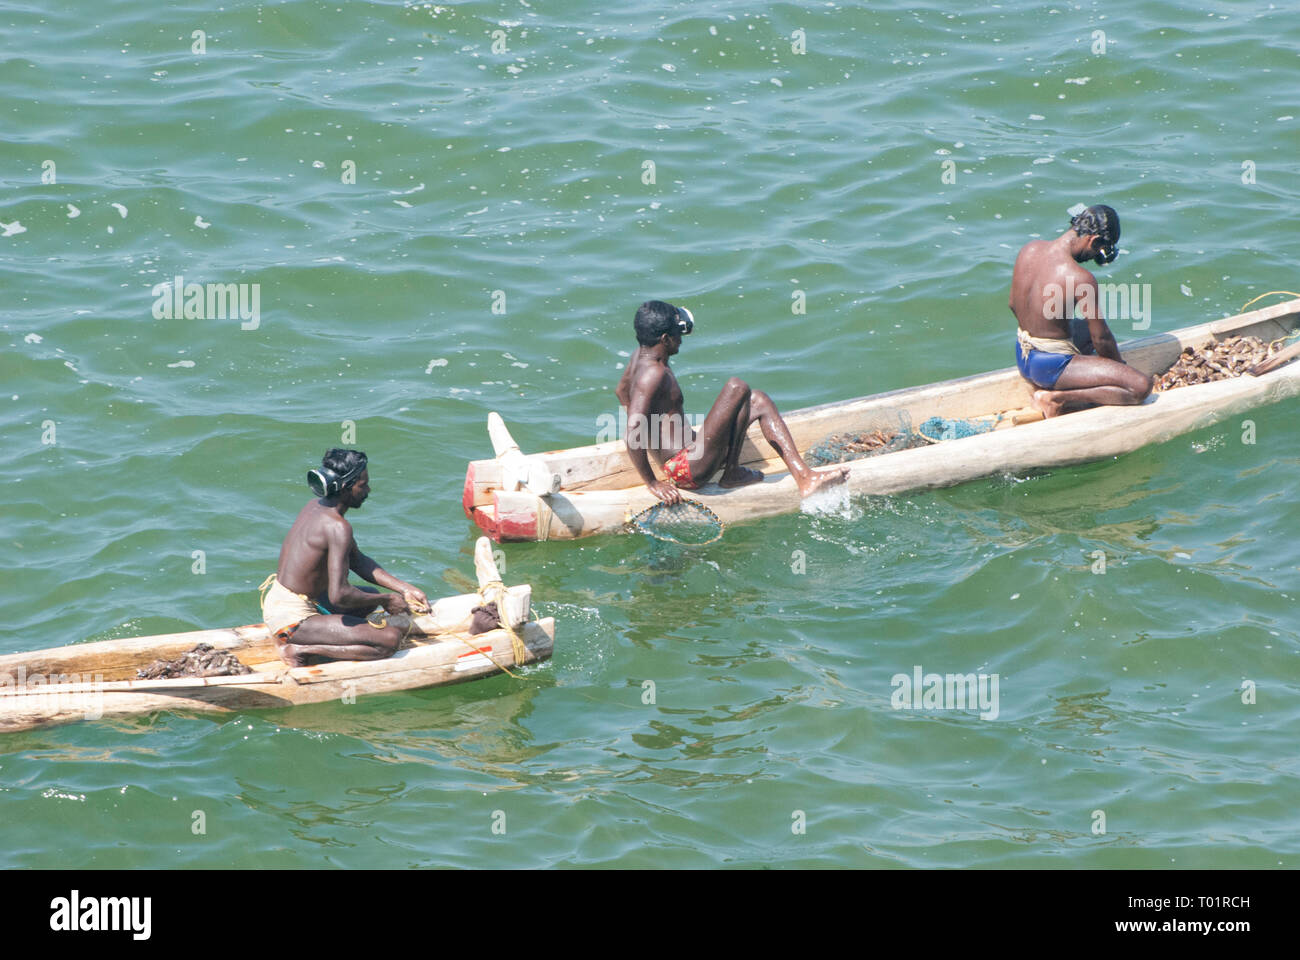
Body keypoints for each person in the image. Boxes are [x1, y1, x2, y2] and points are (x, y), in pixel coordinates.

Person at [614, 300, 848, 505]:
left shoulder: (640, 357)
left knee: (758, 400)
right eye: (677, 335)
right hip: (686, 468)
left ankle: (791, 476)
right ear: (665, 339)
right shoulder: (653, 374)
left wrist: (655, 437)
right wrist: (652, 482)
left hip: (688, 457)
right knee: (737, 387)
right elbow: (633, 429)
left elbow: (621, 391)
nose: (681, 340)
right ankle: (741, 473)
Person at [259, 448, 430, 666]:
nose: (368, 489)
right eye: (363, 484)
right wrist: (387, 600)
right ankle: (301, 649)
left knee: (368, 597)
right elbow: (340, 595)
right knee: (389, 640)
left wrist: (404, 589)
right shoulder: (338, 527)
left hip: (285, 601)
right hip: (292, 621)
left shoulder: (316, 507)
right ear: (346, 487)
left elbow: (358, 561)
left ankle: (326, 634)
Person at [1009, 204, 1152, 418]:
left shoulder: (1030, 249)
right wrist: (1120, 371)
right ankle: (1055, 398)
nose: (1092, 259)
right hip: (1049, 368)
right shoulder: (1080, 278)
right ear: (1093, 240)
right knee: (1140, 387)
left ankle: (1058, 381)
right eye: (1098, 252)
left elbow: (1013, 304)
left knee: (1083, 327)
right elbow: (1101, 339)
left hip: (1024, 355)